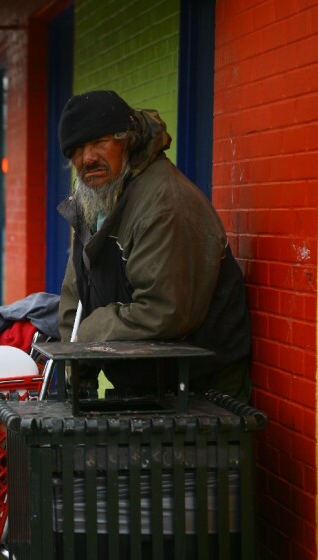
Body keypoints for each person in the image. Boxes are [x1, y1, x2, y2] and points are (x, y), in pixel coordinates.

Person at [56, 90, 252, 402]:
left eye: (99, 142)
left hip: (200, 396)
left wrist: (86, 337)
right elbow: (76, 293)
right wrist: (76, 366)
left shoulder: (165, 205)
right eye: (76, 149)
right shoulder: (95, 199)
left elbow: (162, 312)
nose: (88, 157)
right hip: (145, 384)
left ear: (128, 139)